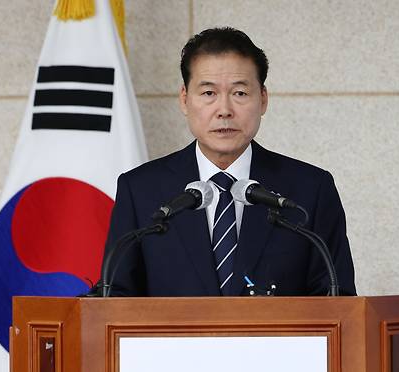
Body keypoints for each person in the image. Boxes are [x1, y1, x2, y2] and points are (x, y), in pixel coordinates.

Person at [103, 27, 356, 296]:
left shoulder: (310, 189)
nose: (224, 110)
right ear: (185, 100)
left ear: (263, 99)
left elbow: (337, 301)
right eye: (208, 93)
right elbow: (116, 298)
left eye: (240, 93)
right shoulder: (141, 189)